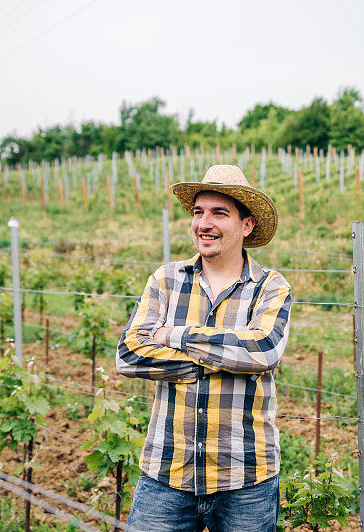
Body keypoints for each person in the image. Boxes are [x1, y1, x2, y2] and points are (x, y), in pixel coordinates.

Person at [116, 164, 292, 532]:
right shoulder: (165, 280)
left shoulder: (270, 288)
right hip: (167, 472)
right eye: (198, 212)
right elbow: (129, 355)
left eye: (219, 213)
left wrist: (173, 336)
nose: (203, 223)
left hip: (245, 477)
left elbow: (263, 349)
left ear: (247, 225)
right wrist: (229, 359)